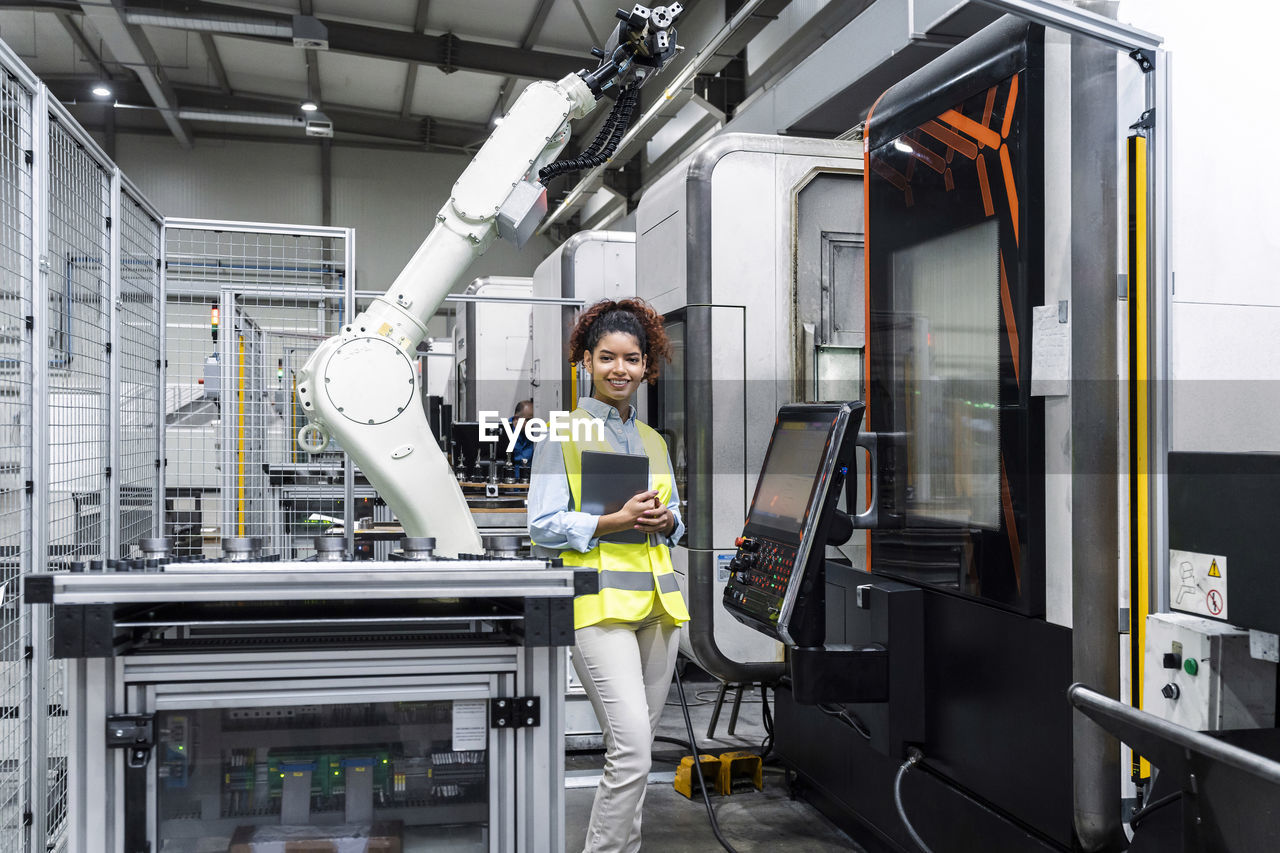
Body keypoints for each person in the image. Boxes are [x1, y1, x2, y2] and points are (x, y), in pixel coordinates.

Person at [527, 298, 690, 853]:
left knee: (634, 758)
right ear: (587, 364)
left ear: (647, 365)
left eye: (633, 359)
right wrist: (609, 521)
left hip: (659, 610)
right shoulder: (563, 433)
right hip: (599, 609)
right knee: (635, 750)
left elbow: (675, 519)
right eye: (607, 358)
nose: (621, 369)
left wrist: (668, 520)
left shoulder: (654, 442)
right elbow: (543, 526)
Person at [507, 399, 535, 479]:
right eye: (528, 420)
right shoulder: (503, 433)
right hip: (507, 482)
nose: (532, 424)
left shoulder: (535, 434)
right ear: (516, 419)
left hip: (528, 483)